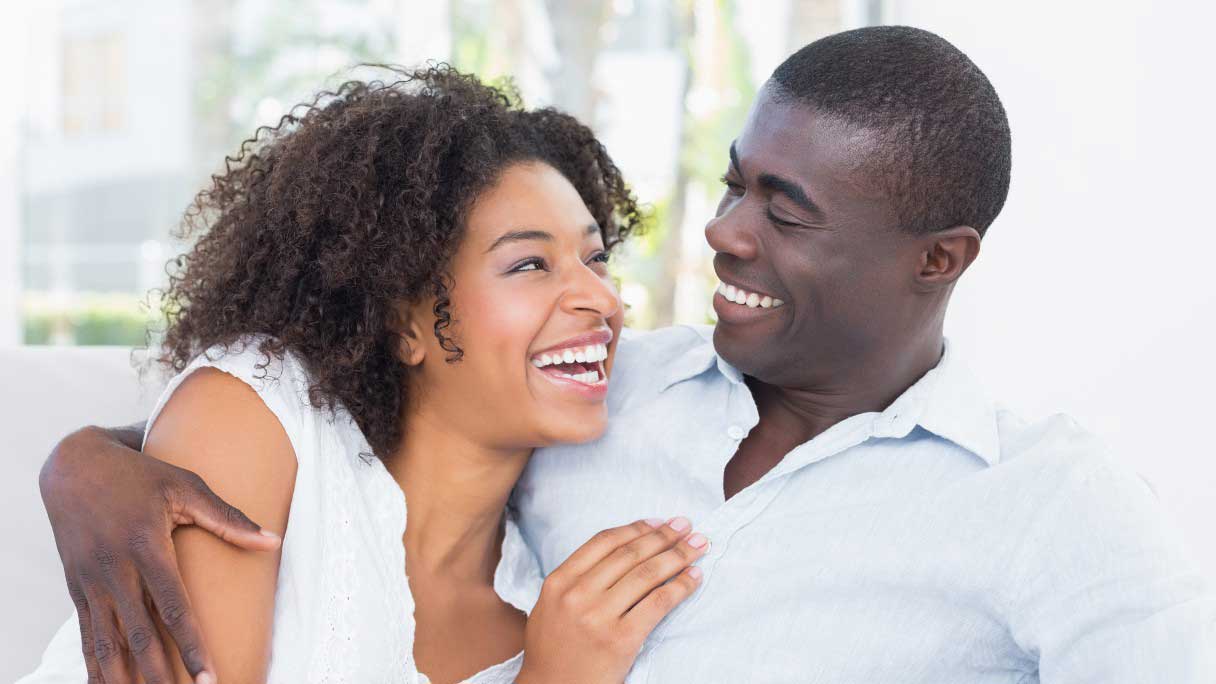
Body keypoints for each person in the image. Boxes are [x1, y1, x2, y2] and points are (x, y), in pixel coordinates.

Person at [34, 26, 1216, 683]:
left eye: (784, 211)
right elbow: (328, 412)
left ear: (937, 259)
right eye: (731, 184)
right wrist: (86, 458)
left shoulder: (1049, 504)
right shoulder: (612, 388)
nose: (722, 234)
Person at [22, 65, 714, 684]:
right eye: (529, 264)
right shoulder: (261, 416)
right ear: (402, 319)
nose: (602, 299)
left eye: (595, 260)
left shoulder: (555, 615)